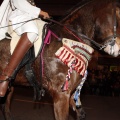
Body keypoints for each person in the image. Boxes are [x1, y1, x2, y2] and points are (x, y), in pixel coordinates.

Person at [0, 0, 50, 97]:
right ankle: (5, 77)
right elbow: (19, 3)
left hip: (31, 17)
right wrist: (40, 12)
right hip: (19, 16)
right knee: (32, 32)